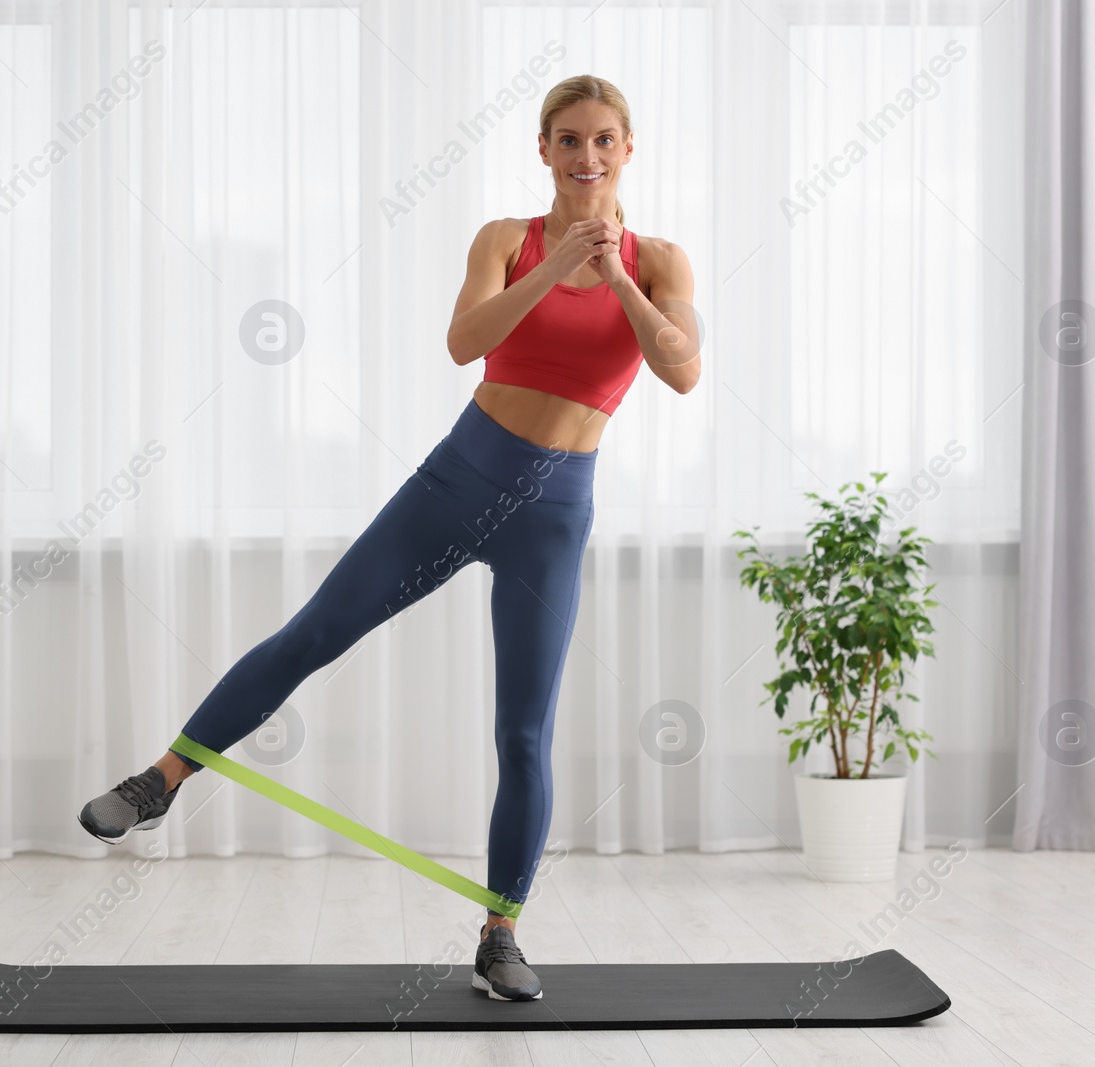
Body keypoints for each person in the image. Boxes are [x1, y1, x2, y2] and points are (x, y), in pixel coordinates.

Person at [79, 74, 699, 1002]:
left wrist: (611, 273)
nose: (586, 157)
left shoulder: (660, 262)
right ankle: (160, 780)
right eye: (568, 140)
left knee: (524, 732)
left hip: (556, 511)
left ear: (629, 147)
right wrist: (555, 262)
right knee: (313, 634)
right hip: (460, 478)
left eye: (604, 139)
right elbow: (464, 340)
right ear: (544, 151)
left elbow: (681, 369)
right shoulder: (505, 239)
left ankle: (500, 935)